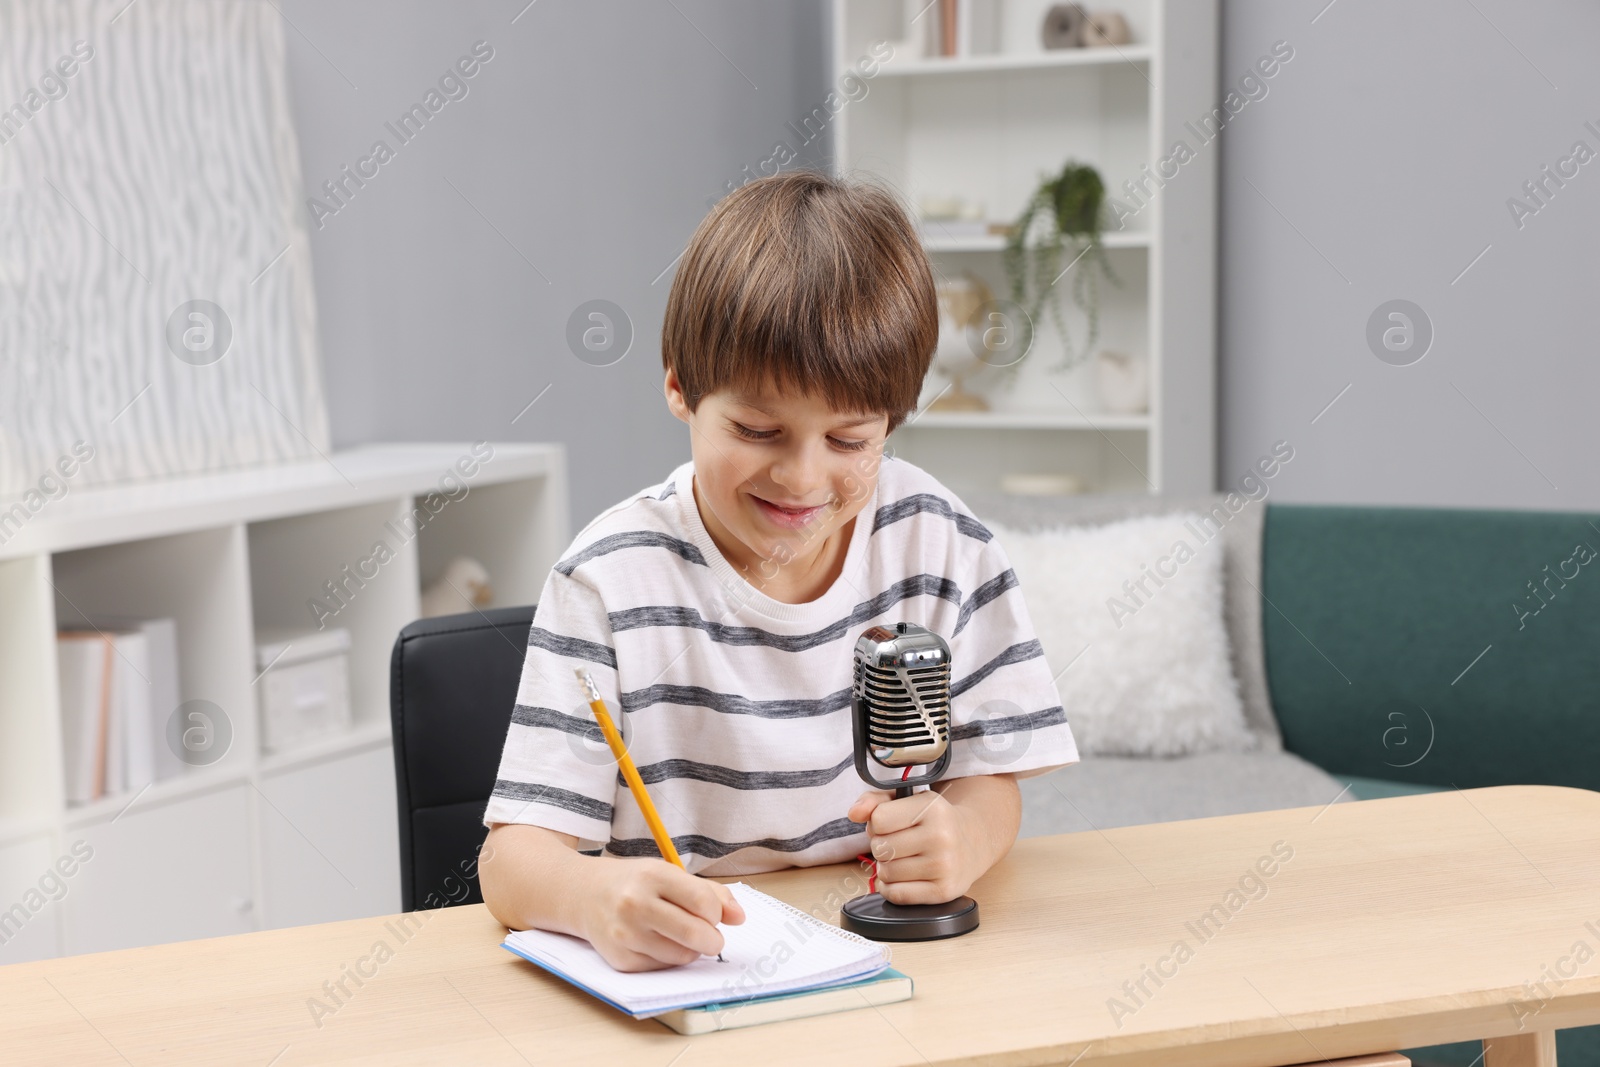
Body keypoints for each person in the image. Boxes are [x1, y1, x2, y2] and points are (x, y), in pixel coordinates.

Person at [479, 169, 1079, 972]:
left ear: (892, 423)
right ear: (680, 389)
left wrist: (961, 839)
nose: (801, 479)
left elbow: (990, 780)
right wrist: (595, 899)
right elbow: (512, 857)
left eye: (849, 440)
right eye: (759, 429)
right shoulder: (607, 582)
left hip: (885, 963)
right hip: (698, 969)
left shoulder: (942, 544)